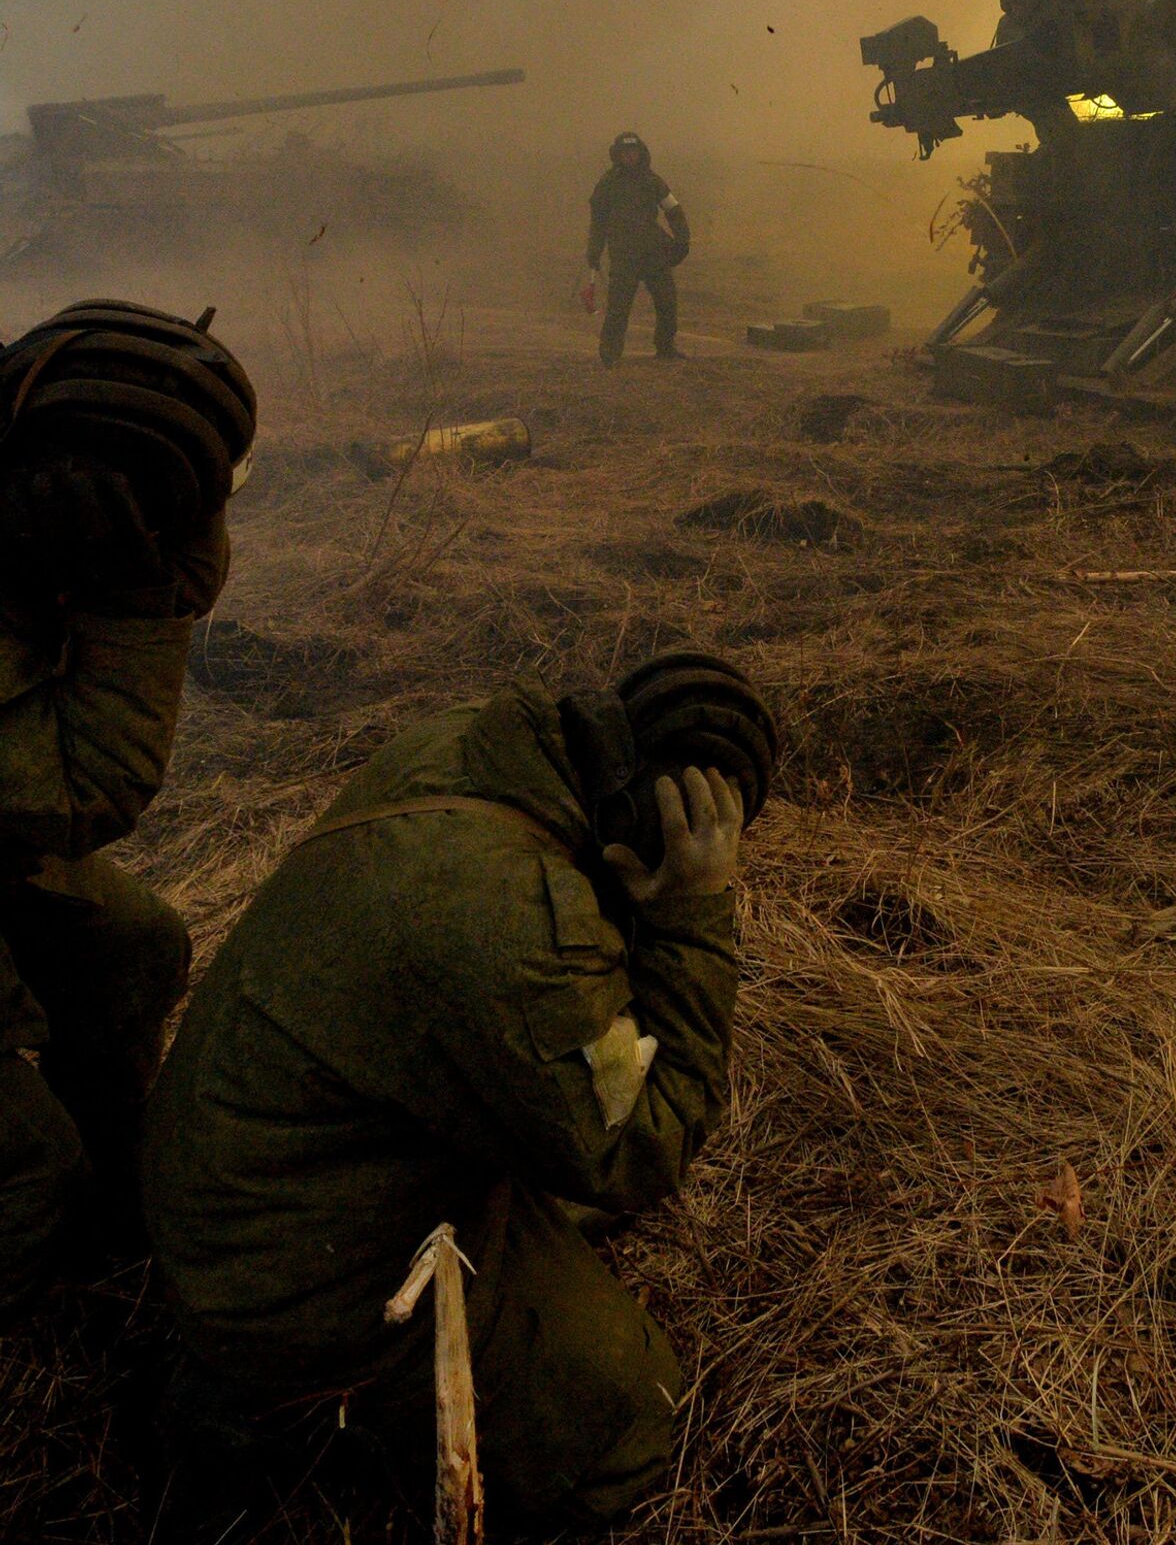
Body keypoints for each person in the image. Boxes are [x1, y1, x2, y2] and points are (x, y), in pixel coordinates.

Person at [142, 651, 776, 1531]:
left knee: (562, 1204)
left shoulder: (469, 756)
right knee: (635, 1414)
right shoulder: (519, 929)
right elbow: (641, 1144)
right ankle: (280, 1421)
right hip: (280, 1286)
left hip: (239, 1189)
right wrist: (690, 913)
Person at [0, 300, 254, 1319]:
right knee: (27, 1174)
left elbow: (182, 561)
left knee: (135, 944)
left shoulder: (26, 430)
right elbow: (81, 792)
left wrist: (165, 510)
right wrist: (131, 604)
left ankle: (110, 1206)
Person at [586, 131, 691, 365]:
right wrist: (594, 250)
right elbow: (598, 221)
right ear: (617, 156)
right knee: (618, 306)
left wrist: (682, 240)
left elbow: (674, 211)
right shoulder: (607, 184)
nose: (630, 157)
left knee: (667, 302)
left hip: (653, 252)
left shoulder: (653, 181)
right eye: (625, 153)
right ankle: (610, 352)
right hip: (623, 254)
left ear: (640, 154)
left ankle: (665, 347)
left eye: (633, 153)